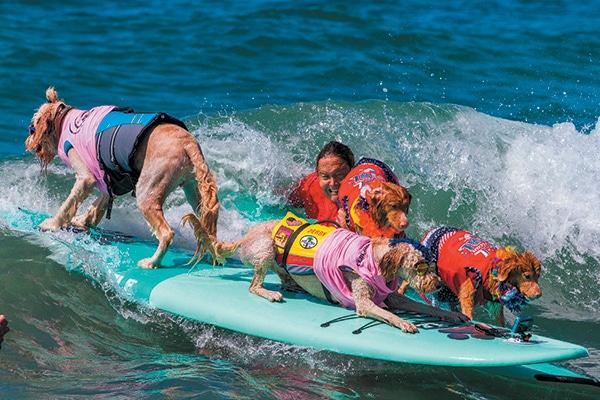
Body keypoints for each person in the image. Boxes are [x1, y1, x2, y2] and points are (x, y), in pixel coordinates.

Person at [288, 141, 355, 221]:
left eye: (339, 175)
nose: (333, 183)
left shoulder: (365, 199)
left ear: (353, 172)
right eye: (325, 177)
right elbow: (280, 201)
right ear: (318, 175)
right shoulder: (309, 185)